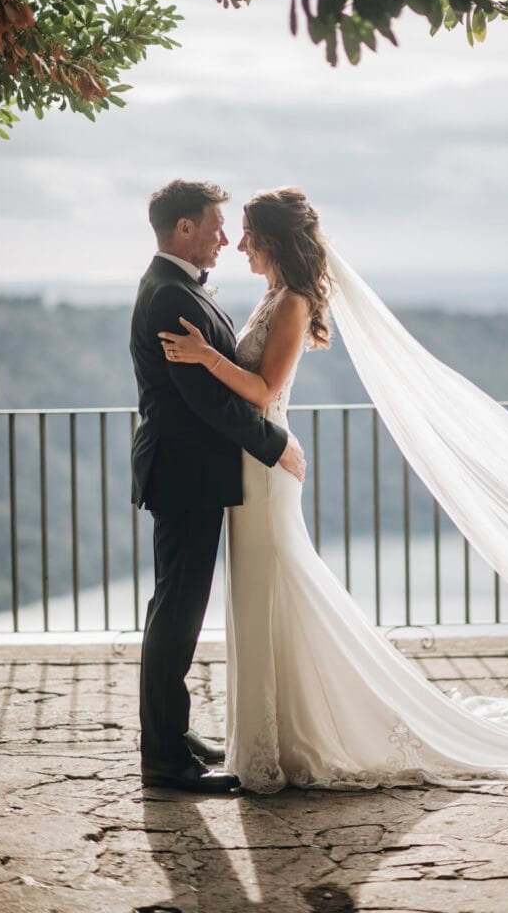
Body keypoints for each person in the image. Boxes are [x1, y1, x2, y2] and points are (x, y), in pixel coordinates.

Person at [159, 186, 508, 793]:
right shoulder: (273, 295)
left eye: (247, 233)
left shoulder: (293, 301)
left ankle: (293, 736)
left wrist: (203, 357)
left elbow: (265, 389)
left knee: (279, 590)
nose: (238, 243)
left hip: (267, 471)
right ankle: (273, 735)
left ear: (271, 239)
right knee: (263, 596)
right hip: (252, 467)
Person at [130, 179, 306, 794]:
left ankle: (171, 737)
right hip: (186, 475)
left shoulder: (175, 287)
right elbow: (205, 401)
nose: (224, 238)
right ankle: (164, 758)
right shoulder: (167, 297)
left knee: (175, 609)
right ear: (184, 229)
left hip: (192, 473)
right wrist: (275, 444)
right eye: (213, 226)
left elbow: (221, 379)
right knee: (176, 613)